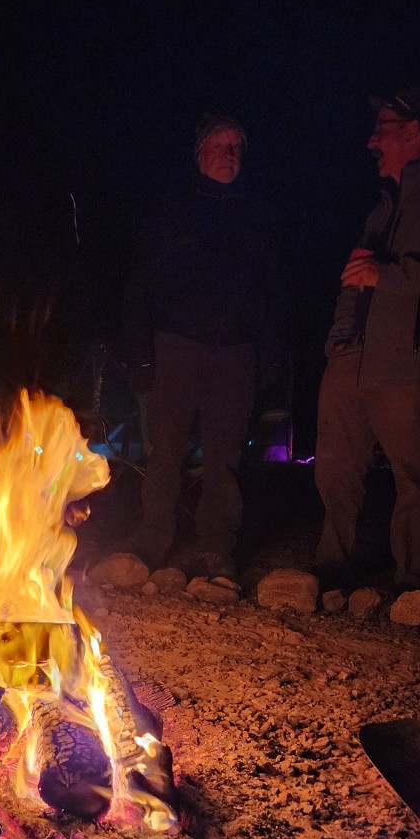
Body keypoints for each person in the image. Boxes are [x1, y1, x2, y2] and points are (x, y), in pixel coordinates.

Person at [120, 112, 286, 583]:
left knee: (224, 456)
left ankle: (218, 548)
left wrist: (268, 353)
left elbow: (275, 290)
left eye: (237, 146)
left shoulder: (258, 215)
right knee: (165, 449)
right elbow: (142, 284)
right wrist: (141, 353)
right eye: (221, 145)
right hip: (177, 346)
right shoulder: (174, 211)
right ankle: (152, 540)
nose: (230, 154)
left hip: (236, 351)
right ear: (201, 154)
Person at [315, 84, 420, 594]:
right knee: (337, 467)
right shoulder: (383, 206)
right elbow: (354, 276)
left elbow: (382, 274)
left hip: (405, 359)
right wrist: (338, 338)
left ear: (415, 132)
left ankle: (418, 582)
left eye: (383, 128)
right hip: (353, 354)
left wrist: (386, 276)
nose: (372, 140)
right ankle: (331, 569)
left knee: (417, 473)